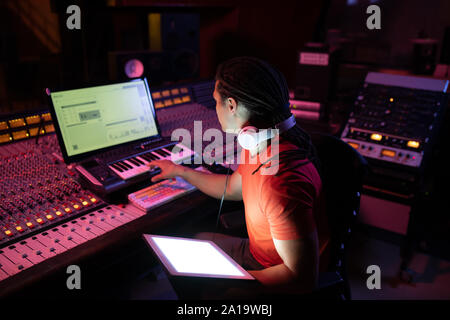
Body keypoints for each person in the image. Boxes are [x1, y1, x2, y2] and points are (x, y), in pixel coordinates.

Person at [147, 57, 329, 296]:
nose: (215, 108)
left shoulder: (281, 181)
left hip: (279, 275)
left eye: (215, 102)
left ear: (231, 105)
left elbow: (300, 279)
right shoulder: (258, 140)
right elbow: (234, 187)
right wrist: (180, 171)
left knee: (214, 288)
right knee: (198, 241)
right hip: (258, 255)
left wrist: (230, 280)